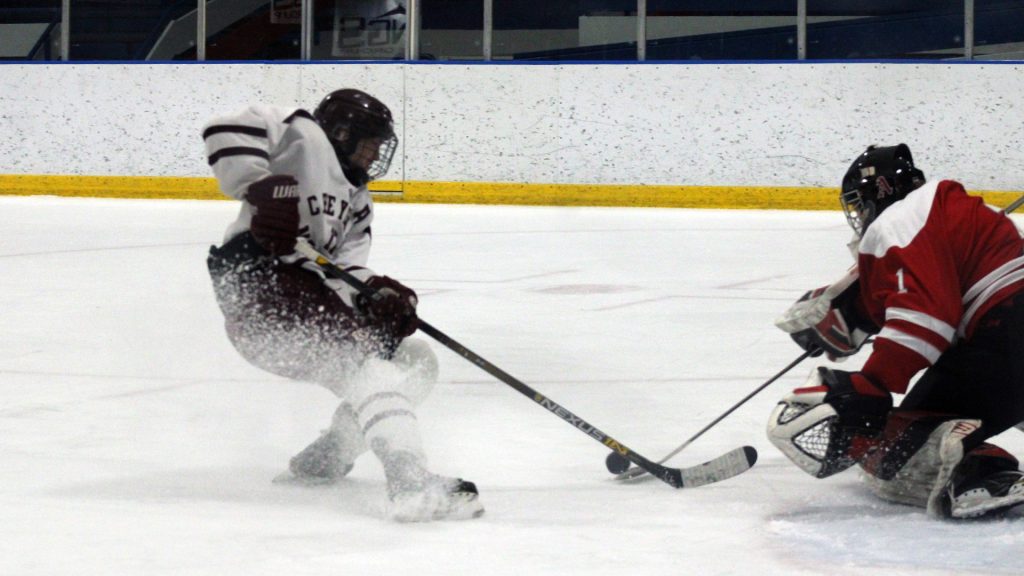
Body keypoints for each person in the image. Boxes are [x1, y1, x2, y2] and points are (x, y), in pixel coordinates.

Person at [202, 88, 483, 522]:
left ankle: (329, 454)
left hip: (304, 296)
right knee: (364, 364)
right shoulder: (305, 136)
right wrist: (259, 188)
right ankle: (411, 484)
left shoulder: (359, 202)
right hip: (257, 285)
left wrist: (383, 295)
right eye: (370, 143)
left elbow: (345, 273)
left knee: (414, 360)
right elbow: (224, 129)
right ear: (342, 132)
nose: (374, 155)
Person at [768, 143, 1024, 519]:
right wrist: (852, 311)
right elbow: (926, 296)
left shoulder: (901, 218)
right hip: (1006, 333)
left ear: (880, 189)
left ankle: (983, 474)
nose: (858, 215)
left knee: (896, 443)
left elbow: (925, 320)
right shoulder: (943, 212)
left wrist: (873, 382)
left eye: (858, 203)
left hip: (1007, 333)